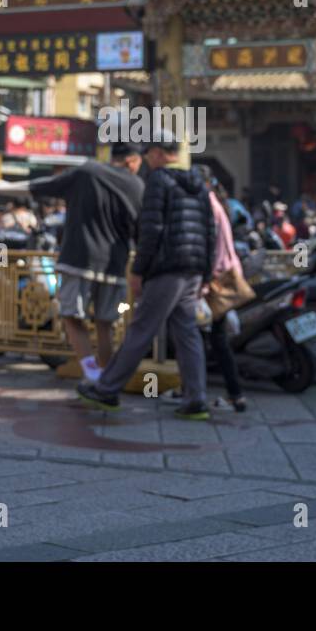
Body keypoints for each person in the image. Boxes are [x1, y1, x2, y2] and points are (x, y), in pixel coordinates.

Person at [76, 134, 215, 420]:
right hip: (192, 271)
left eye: (150, 153)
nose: (148, 159)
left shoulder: (159, 181)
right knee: (187, 331)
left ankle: (106, 388)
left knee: (141, 329)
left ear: (161, 154)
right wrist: (206, 273)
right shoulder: (198, 184)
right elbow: (209, 231)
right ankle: (196, 398)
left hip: (167, 268)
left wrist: (138, 270)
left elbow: (151, 230)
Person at [0, 142, 145, 382]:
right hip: (114, 265)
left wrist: (4, 187)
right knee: (106, 324)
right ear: (132, 161)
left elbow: (41, 187)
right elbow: (142, 230)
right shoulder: (137, 185)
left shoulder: (88, 172)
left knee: (71, 316)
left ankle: (92, 373)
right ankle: (108, 381)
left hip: (79, 260)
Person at [200, 168, 251, 411]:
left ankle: (233, 394)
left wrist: (206, 279)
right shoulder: (218, 203)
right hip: (225, 275)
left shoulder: (208, 206)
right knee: (210, 337)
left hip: (217, 279)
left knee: (209, 337)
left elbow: (213, 248)